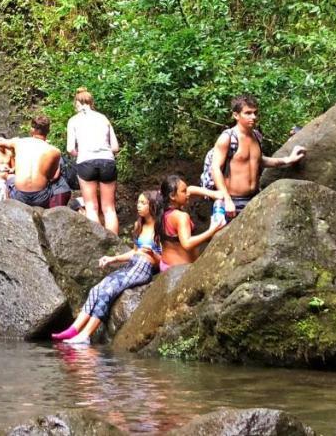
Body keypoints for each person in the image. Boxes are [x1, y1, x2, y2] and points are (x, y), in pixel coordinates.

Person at [52, 191, 162, 345]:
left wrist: (153, 254)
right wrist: (113, 259)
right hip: (132, 265)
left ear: (153, 206)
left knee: (107, 291)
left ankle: (86, 334)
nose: (138, 206)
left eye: (143, 203)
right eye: (138, 202)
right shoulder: (139, 225)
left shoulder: (159, 229)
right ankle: (74, 329)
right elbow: (135, 252)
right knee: (97, 288)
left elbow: (163, 260)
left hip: (144, 268)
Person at [208, 94, 305, 225]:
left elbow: (260, 160)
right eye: (248, 113)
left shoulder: (256, 136)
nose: (253, 117)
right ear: (236, 115)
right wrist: (226, 199)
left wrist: (288, 159)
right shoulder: (228, 138)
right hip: (232, 201)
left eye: (255, 113)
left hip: (254, 198)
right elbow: (215, 168)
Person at [66, 88, 120, 234]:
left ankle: (98, 245)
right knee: (109, 208)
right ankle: (115, 247)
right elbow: (115, 147)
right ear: (91, 103)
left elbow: (70, 148)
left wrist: (81, 153)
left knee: (91, 207)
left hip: (86, 162)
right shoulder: (103, 118)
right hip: (107, 161)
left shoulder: (74, 121)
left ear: (78, 103)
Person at [0, 115, 69, 208]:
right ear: (48, 131)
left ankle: (9, 209)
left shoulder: (19, 142)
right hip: (41, 196)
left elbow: (1, 141)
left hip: (19, 196)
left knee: (9, 177)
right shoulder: (55, 151)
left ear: (32, 130)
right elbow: (51, 176)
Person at [159, 175, 224, 268]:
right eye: (184, 191)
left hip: (165, 264)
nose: (188, 193)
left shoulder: (162, 209)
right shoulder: (181, 217)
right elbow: (187, 243)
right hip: (179, 269)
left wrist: (212, 194)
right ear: (172, 196)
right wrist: (211, 231)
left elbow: (190, 189)